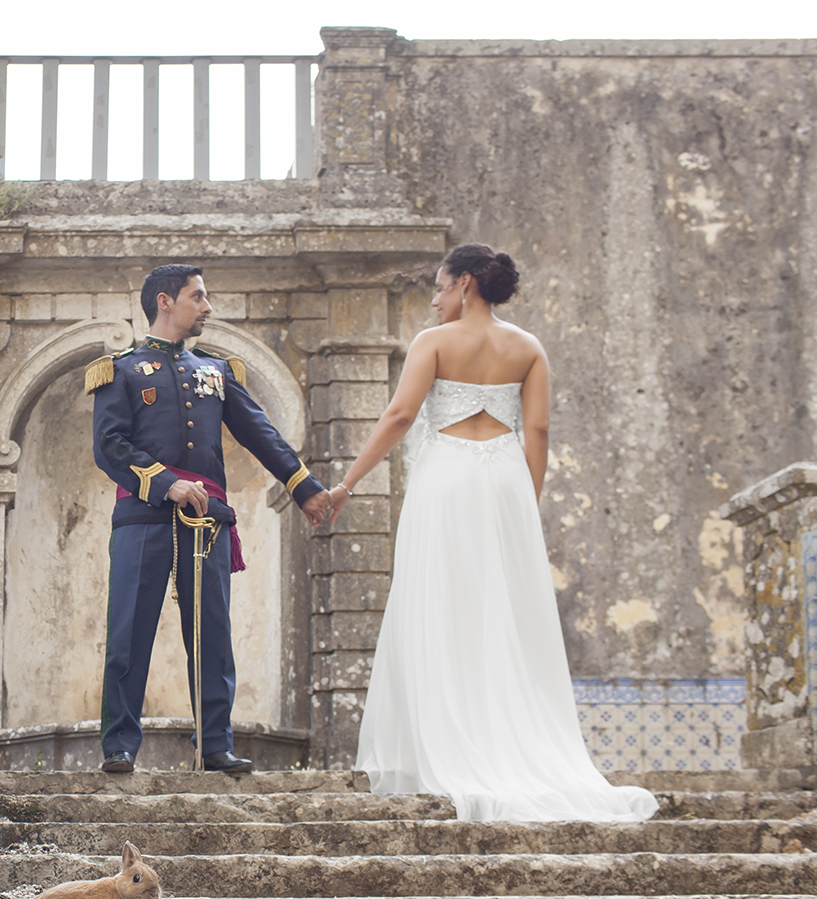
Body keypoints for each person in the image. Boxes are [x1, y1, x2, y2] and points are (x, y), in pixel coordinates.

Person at [323, 243, 657, 821]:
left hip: (447, 478)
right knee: (503, 611)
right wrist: (524, 505)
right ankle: (514, 743)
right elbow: (540, 430)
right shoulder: (527, 347)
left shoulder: (433, 343)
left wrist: (346, 484)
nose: (434, 298)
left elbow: (400, 417)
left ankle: (450, 742)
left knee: (440, 605)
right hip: (506, 481)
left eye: (440, 285)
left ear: (467, 284)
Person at [87, 264, 330, 774]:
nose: (207, 306)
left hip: (205, 520)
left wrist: (303, 487)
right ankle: (120, 746)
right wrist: (164, 483)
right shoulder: (122, 369)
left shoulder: (216, 372)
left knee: (212, 634)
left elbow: (261, 433)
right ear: (164, 302)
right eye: (197, 297)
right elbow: (109, 447)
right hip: (143, 515)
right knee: (129, 631)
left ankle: (214, 744)